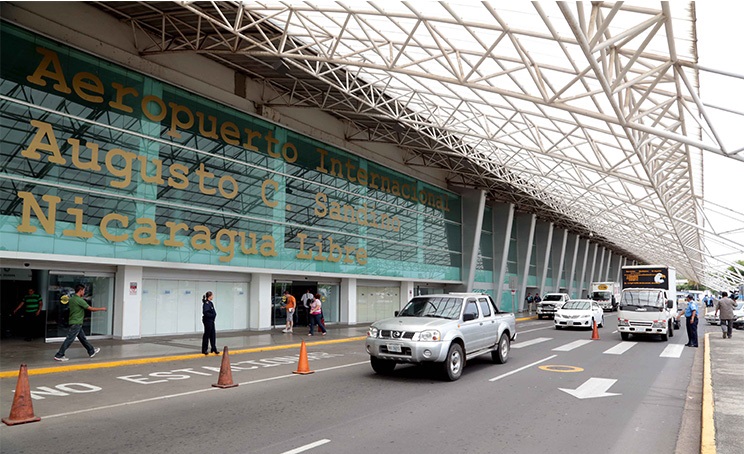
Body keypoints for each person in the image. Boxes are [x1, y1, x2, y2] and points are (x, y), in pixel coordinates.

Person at [53, 284, 106, 361]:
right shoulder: (79, 300)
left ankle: (91, 351)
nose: (84, 292)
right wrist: (102, 308)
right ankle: (59, 354)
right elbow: (91, 309)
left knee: (82, 338)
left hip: (74, 321)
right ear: (80, 290)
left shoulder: (72, 299)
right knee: (70, 339)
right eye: (84, 290)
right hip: (76, 322)